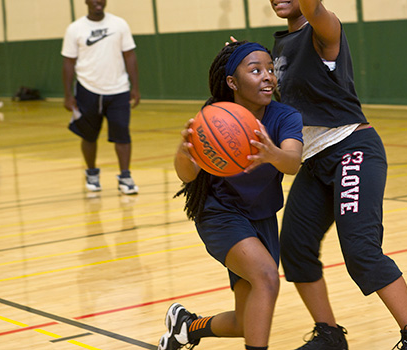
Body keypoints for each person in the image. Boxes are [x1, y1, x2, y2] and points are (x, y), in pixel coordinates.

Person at [268, 1, 407, 349]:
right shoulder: (280, 46)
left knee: (361, 251)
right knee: (295, 249)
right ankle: (329, 335)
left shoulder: (323, 29)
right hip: (314, 159)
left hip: (352, 148)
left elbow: (315, 10)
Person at [158, 41, 303, 350]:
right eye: (255, 70)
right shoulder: (214, 117)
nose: (266, 76)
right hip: (220, 213)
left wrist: (272, 153)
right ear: (232, 83)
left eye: (269, 69)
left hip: (262, 217)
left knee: (243, 321)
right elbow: (187, 176)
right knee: (267, 277)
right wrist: (184, 153)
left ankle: (186, 327)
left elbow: (292, 163)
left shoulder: (285, 117)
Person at [62, 0, 141, 195]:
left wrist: (135, 87)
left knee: (122, 134)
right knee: (88, 135)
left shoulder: (120, 24)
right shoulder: (75, 28)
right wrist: (67, 94)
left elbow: (129, 55)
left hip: (118, 90)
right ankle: (91, 173)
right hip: (88, 89)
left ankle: (125, 176)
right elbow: (68, 62)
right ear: (86, 1)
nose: (98, 1)